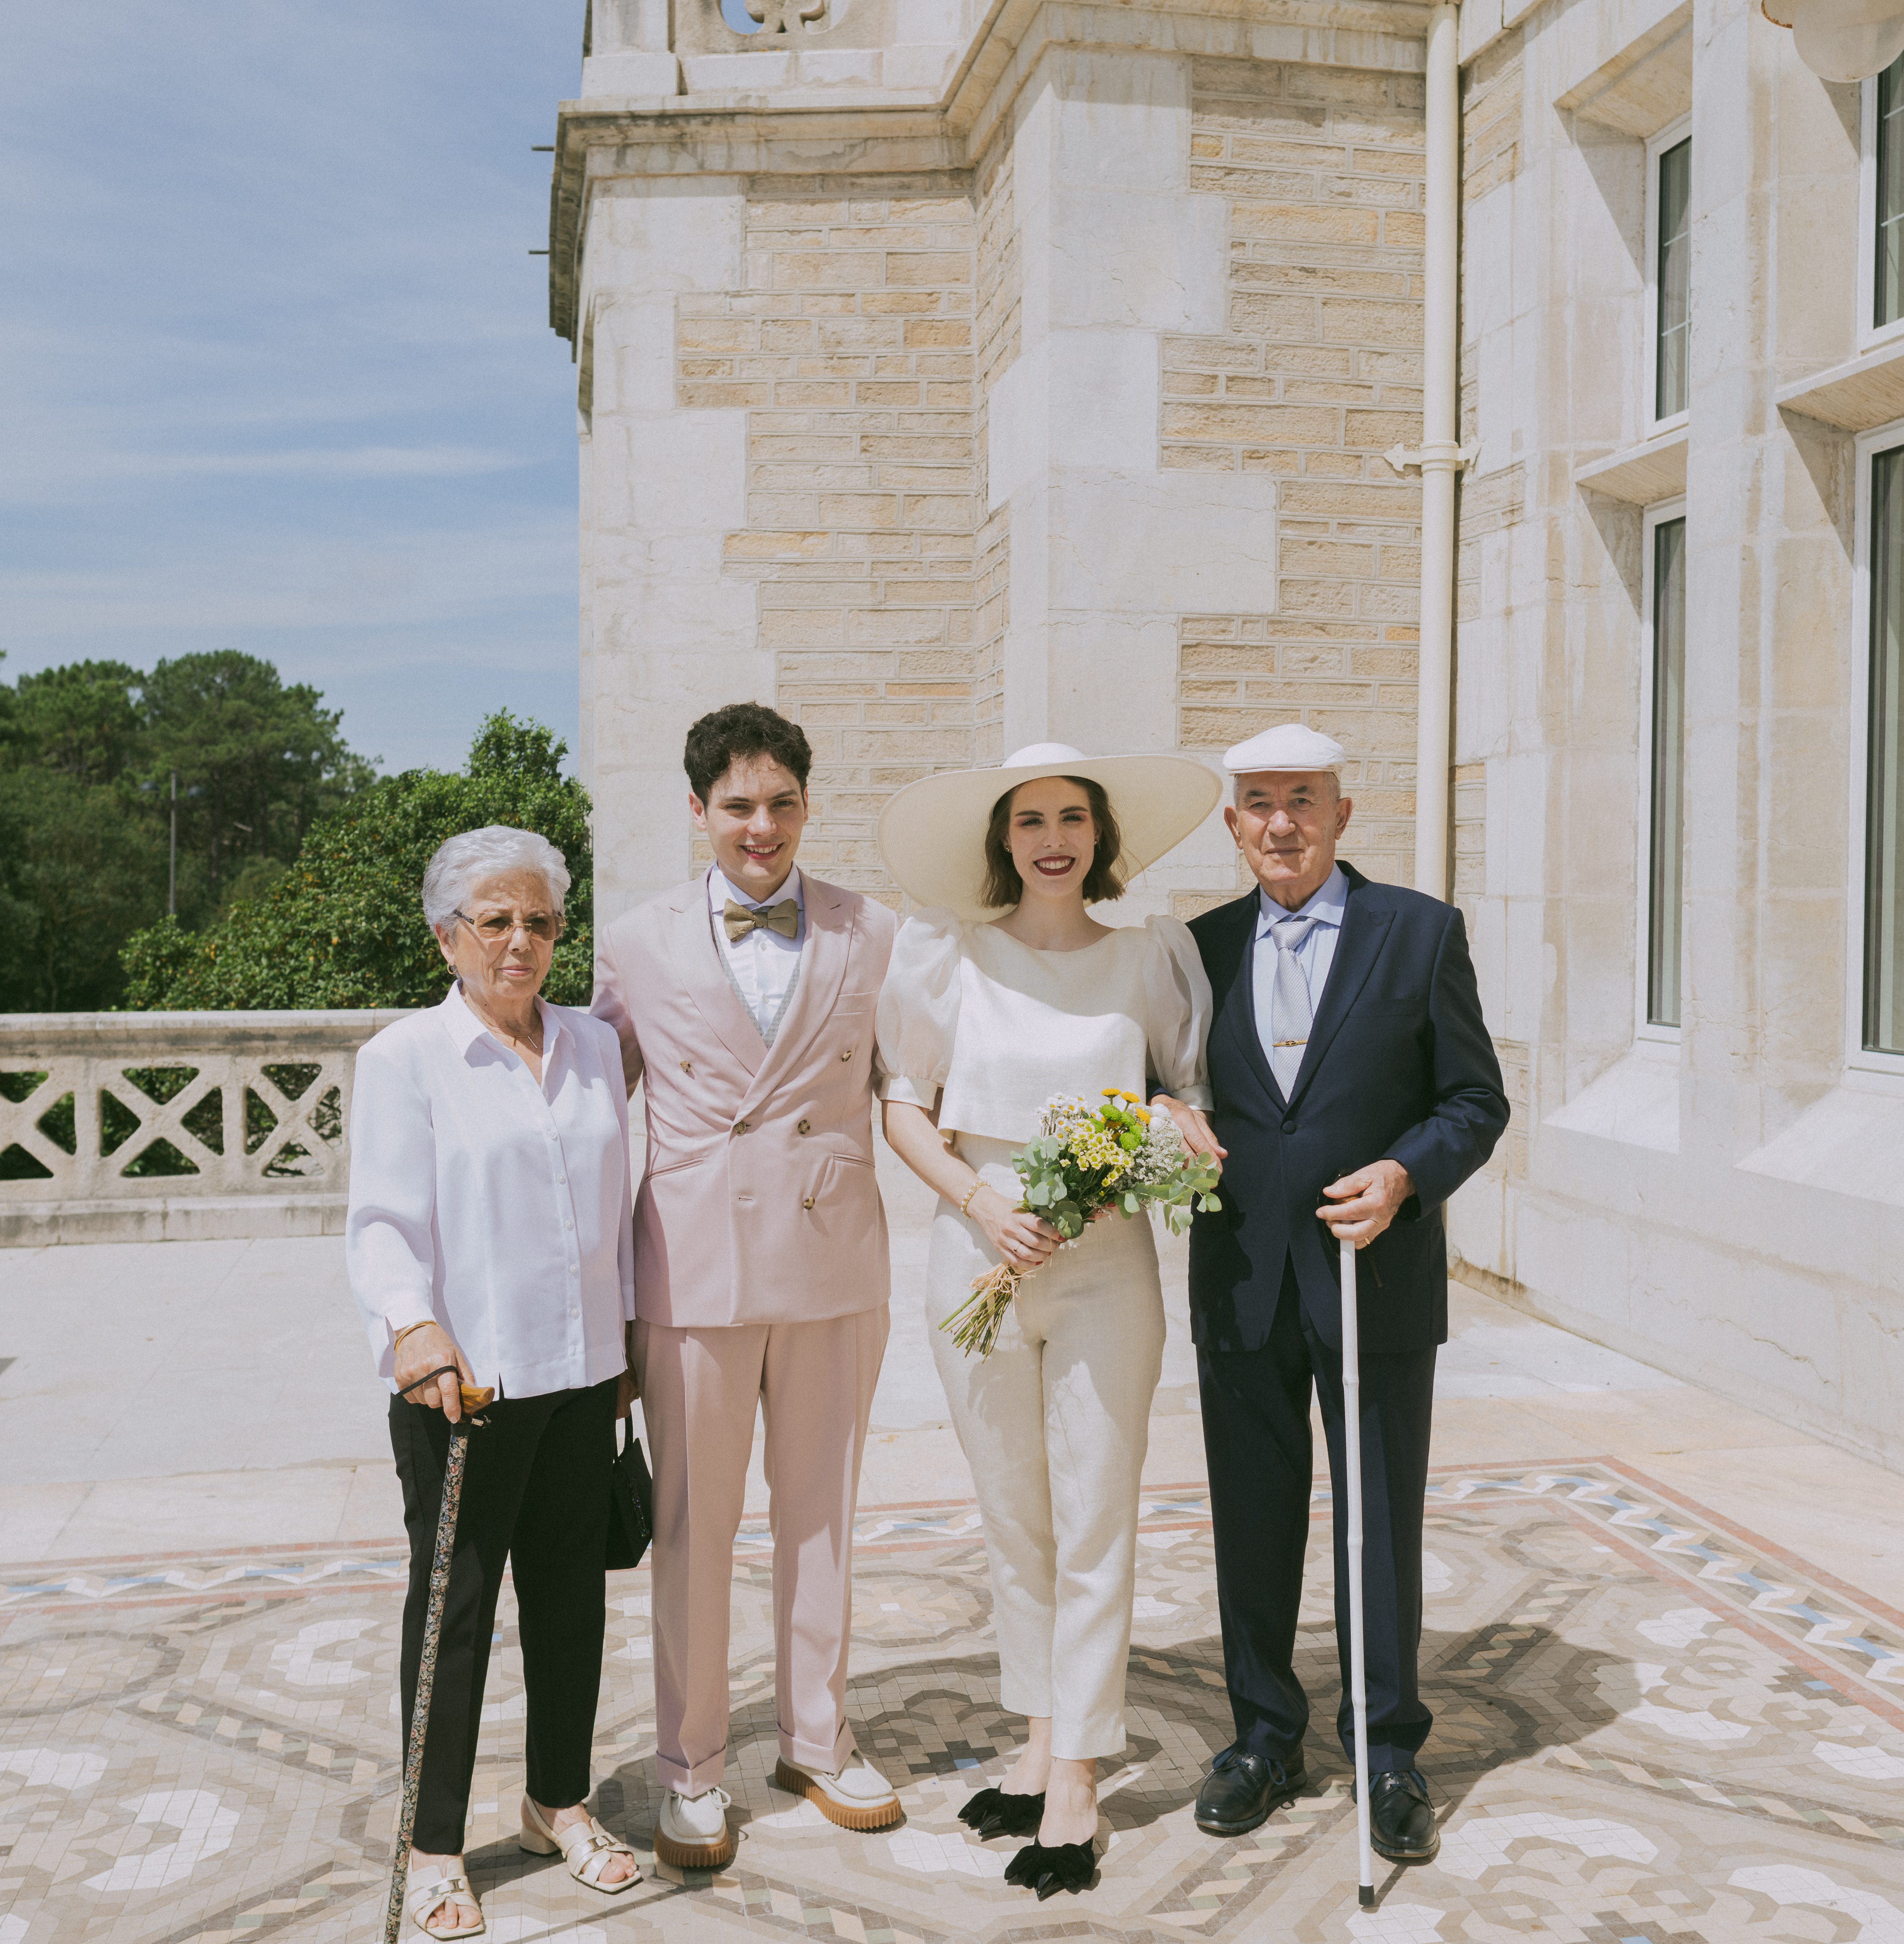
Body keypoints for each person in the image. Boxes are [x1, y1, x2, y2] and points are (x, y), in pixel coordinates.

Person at [873, 741, 1224, 1899]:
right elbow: (906, 1109)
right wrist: (983, 1203)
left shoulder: (1149, 956)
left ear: (1100, 834)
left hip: (1107, 1266)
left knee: (1093, 1513)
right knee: (1013, 1513)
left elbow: (1189, 1094)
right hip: (974, 1260)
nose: (1053, 837)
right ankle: (1035, 1731)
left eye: (1073, 815)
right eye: (1031, 818)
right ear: (1004, 838)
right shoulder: (945, 956)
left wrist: (1150, 1151)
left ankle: (1076, 1770)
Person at [1179, 723, 1508, 1867]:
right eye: (1259, 802)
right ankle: (1265, 1738)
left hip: (1377, 1281)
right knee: (1251, 1521)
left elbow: (1477, 1099)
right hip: (1239, 1280)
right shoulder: (1198, 947)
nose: (1282, 822)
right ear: (1233, 825)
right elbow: (1173, 1091)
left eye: (1304, 799)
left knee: (1379, 1521)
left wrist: (1409, 1171)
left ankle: (1388, 1752)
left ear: (1341, 812)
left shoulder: (1421, 933)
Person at [589, 703, 907, 1873]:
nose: (760, 825)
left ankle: (817, 1737)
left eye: (781, 803)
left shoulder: (874, 931)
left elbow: (915, 1089)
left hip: (834, 1262)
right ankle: (691, 1765)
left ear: (808, 806)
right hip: (691, 1265)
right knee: (694, 1528)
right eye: (737, 806)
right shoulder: (632, 940)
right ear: (698, 812)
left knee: (823, 1510)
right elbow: (590, 1112)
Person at [346, 826, 642, 1942]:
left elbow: (609, 1210)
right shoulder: (404, 1058)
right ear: (446, 935)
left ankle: (555, 1800)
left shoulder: (592, 1048)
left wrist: (619, 1351)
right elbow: (379, 1219)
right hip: (461, 1386)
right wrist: (413, 1328)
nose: (522, 941)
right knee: (454, 1613)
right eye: (496, 920)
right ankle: (432, 1845)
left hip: (579, 1375)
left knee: (572, 1597)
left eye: (543, 921)